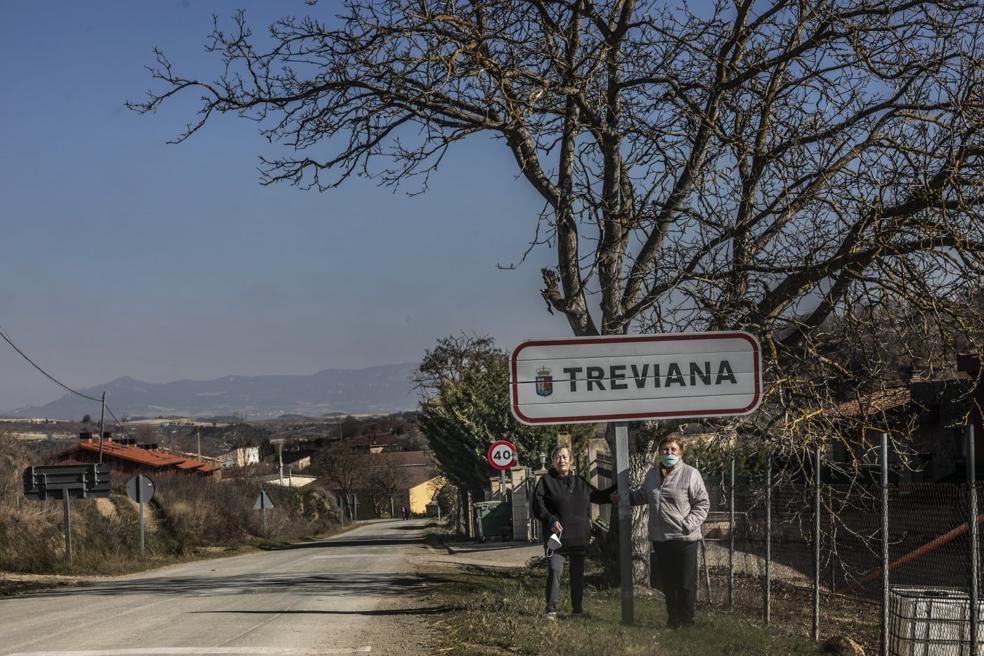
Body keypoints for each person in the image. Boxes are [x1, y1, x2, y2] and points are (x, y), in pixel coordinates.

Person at [625, 434, 709, 628]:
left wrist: (688, 524)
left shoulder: (690, 474)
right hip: (661, 538)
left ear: (680, 452)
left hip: (685, 538)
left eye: (673, 449)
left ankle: (687, 621)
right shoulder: (653, 474)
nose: (668, 453)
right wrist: (623, 497)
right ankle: (673, 620)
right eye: (665, 449)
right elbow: (643, 495)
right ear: (659, 452)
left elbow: (702, 504)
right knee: (669, 584)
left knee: (685, 583)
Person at [532, 445, 614, 620]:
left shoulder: (580, 482)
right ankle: (551, 610)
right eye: (557, 457)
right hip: (557, 539)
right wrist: (550, 520)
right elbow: (537, 506)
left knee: (577, 576)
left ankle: (577, 610)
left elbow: (598, 496)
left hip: (578, 537)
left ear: (571, 461)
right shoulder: (545, 482)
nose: (561, 460)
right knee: (554, 572)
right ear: (552, 461)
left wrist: (616, 488)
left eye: (564, 457)